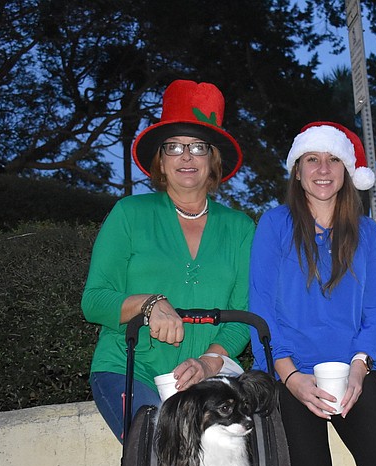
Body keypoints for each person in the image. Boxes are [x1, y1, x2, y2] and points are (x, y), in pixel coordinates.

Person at [249, 122, 376, 466]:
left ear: (347, 170)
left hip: (350, 369)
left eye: (333, 159)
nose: (323, 169)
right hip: (290, 372)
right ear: (297, 172)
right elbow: (259, 308)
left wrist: (360, 365)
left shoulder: (367, 232)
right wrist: (289, 377)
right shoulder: (275, 225)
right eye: (311, 160)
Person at [82, 80, 255, 441]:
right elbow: (94, 300)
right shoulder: (129, 213)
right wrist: (149, 303)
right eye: (174, 147)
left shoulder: (240, 228)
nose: (186, 156)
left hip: (205, 379)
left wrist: (209, 363)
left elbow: (241, 316)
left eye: (198, 147)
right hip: (128, 370)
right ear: (160, 159)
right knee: (160, 448)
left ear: (213, 159)